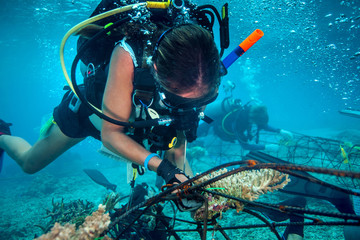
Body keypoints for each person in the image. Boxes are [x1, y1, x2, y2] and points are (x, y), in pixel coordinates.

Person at [0, 0, 221, 210]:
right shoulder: (129, 54)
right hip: (93, 115)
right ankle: (2, 135)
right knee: (30, 164)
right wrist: (162, 167)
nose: (186, 108)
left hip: (146, 119)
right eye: (177, 100)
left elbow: (177, 153)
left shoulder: (202, 66)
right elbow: (112, 135)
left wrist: (194, 196)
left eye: (201, 100)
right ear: (154, 70)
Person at [197, 97, 293, 152]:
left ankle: (199, 114)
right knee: (196, 134)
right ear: (254, 120)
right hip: (213, 127)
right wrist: (266, 147)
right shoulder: (238, 122)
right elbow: (245, 146)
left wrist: (279, 131)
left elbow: (262, 125)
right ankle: (197, 113)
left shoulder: (248, 112)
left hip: (217, 123)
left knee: (204, 124)